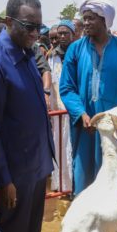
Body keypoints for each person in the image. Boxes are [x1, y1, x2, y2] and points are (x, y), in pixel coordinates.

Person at [0, 0, 55, 232]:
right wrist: (5, 180)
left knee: (32, 220)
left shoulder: (27, 52)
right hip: (13, 170)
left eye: (39, 27)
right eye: (28, 26)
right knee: (12, 228)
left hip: (35, 161)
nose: (35, 34)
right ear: (8, 22)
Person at [60, 0, 117, 196]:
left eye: (90, 18)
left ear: (104, 20)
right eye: (84, 18)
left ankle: (108, 223)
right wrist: (81, 113)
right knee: (83, 175)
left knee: (108, 176)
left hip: (111, 129)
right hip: (84, 126)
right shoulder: (75, 49)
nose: (85, 23)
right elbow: (67, 87)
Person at [47, 20, 76, 192]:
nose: (62, 37)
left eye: (66, 33)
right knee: (60, 148)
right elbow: (51, 83)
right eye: (60, 34)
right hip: (59, 111)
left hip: (75, 110)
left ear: (73, 34)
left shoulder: (79, 53)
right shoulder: (52, 56)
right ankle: (64, 185)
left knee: (74, 147)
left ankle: (76, 184)